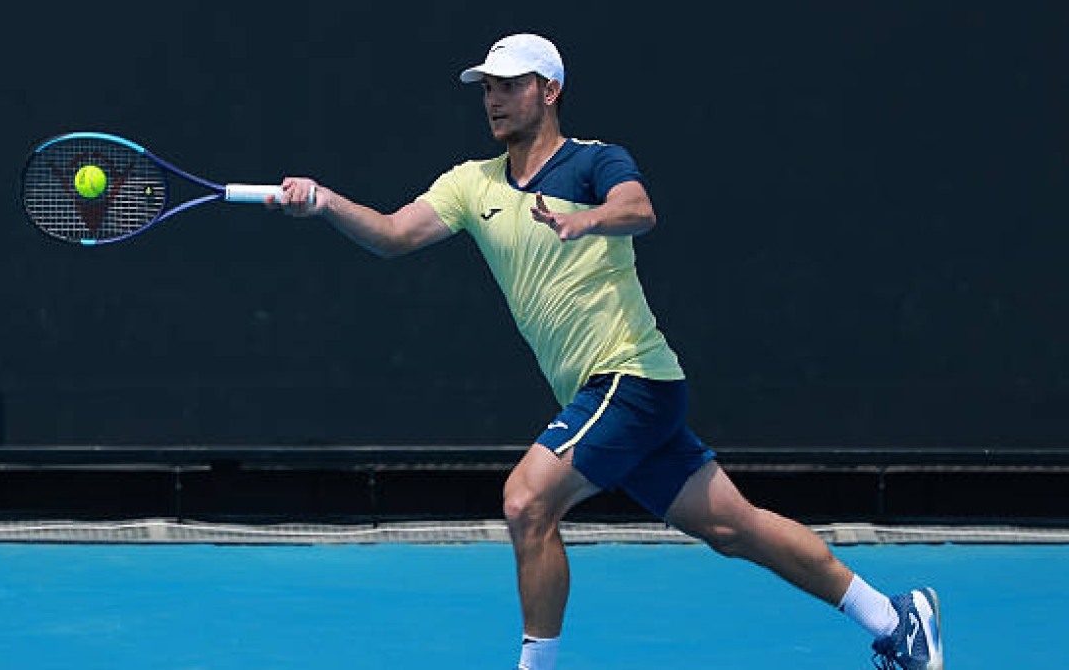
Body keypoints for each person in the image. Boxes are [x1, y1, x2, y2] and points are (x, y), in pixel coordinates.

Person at [269, 33, 943, 670]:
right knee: (736, 528)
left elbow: (639, 208)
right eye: (486, 88)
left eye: (509, 85)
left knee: (526, 501)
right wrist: (326, 202)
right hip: (614, 394)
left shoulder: (594, 161)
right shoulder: (472, 183)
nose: (493, 98)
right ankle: (894, 619)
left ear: (549, 88)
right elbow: (391, 234)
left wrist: (584, 218)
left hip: (628, 377)